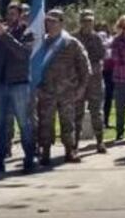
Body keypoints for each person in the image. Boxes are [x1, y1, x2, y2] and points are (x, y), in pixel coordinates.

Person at [35, 9, 92, 165]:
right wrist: (36, 88)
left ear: (61, 23)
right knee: (45, 123)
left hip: (67, 91)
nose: (50, 24)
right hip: (46, 91)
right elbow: (33, 68)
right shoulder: (41, 43)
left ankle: (70, 151)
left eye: (54, 21)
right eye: (48, 21)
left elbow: (85, 68)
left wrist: (81, 88)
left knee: (68, 123)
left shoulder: (71, 43)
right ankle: (45, 151)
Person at [0, 2, 36, 175]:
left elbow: (23, 54)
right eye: (8, 13)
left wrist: (5, 35)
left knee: (24, 122)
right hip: (0, 83)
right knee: (0, 124)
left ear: (21, 15)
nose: (10, 17)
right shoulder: (0, 33)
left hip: (19, 83)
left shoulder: (28, 32)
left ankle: (29, 157)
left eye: (14, 14)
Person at [75, 10, 108, 153]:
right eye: (85, 21)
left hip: (95, 79)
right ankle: (74, 142)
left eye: (90, 21)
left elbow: (101, 55)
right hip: (78, 80)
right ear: (80, 22)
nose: (87, 24)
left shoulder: (97, 38)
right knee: (77, 113)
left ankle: (100, 142)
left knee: (97, 112)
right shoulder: (74, 38)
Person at [99, 23, 115, 129]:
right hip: (100, 72)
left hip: (110, 72)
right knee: (100, 98)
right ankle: (99, 121)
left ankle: (105, 121)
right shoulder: (97, 40)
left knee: (108, 97)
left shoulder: (112, 41)